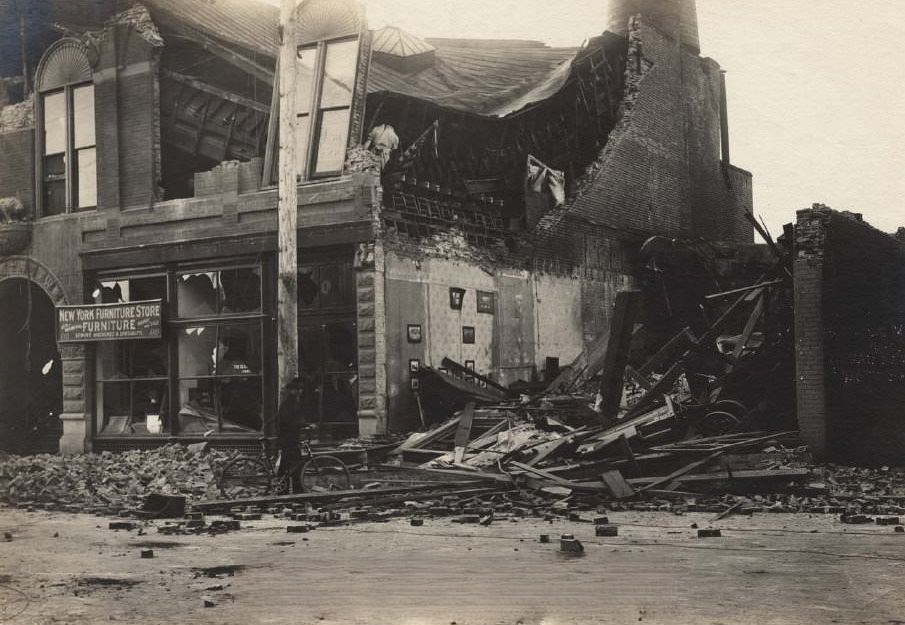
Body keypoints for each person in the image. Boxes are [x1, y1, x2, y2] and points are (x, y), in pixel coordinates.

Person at [276, 377, 305, 493]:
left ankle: (283, 489)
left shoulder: (293, 402)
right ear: (292, 390)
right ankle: (297, 490)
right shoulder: (289, 403)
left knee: (286, 464)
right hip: (288, 438)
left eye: (300, 389)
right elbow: (290, 420)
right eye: (297, 389)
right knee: (295, 464)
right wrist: (303, 425)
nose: (299, 391)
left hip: (290, 438)